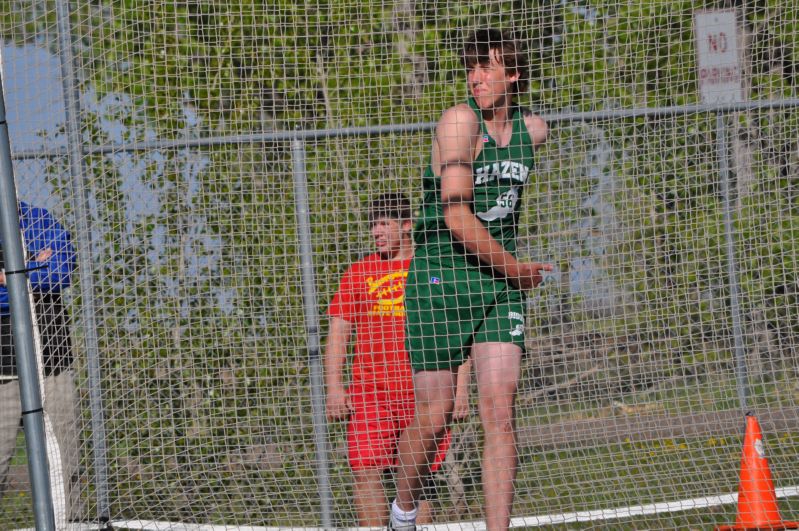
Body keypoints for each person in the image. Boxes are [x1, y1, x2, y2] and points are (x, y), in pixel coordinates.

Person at [390, 29, 552, 531]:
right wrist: (517, 269)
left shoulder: (534, 130)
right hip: (441, 279)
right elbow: (457, 218)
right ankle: (403, 512)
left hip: (496, 284)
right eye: (472, 67)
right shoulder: (458, 122)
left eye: (488, 66)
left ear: (514, 74)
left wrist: (507, 274)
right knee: (436, 413)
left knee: (499, 415)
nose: (477, 76)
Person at [325, 192, 471, 527]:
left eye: (384, 224)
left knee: (418, 479)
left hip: (424, 391)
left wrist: (461, 389)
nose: (376, 232)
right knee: (365, 471)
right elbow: (338, 334)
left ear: (406, 226)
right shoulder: (359, 272)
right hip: (370, 393)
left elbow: (457, 329)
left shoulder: (432, 267)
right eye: (373, 225)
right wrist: (334, 387)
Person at [0, 201, 79, 523]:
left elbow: (63, 269)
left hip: (53, 363)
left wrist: (11, 275)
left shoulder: (36, 217)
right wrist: (35, 264)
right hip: (4, 370)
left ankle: (69, 526)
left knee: (66, 464)